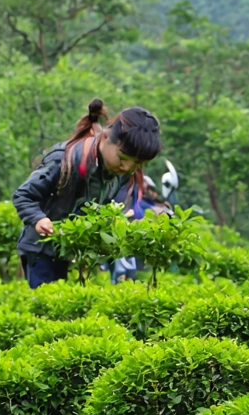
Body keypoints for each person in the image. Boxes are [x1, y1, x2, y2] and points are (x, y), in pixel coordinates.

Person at [12, 99, 162, 289]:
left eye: (137, 164)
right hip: (41, 249)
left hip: (70, 251)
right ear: (107, 138)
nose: (127, 167)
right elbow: (23, 194)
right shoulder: (64, 159)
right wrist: (39, 219)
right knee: (47, 307)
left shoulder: (118, 173)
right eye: (122, 158)